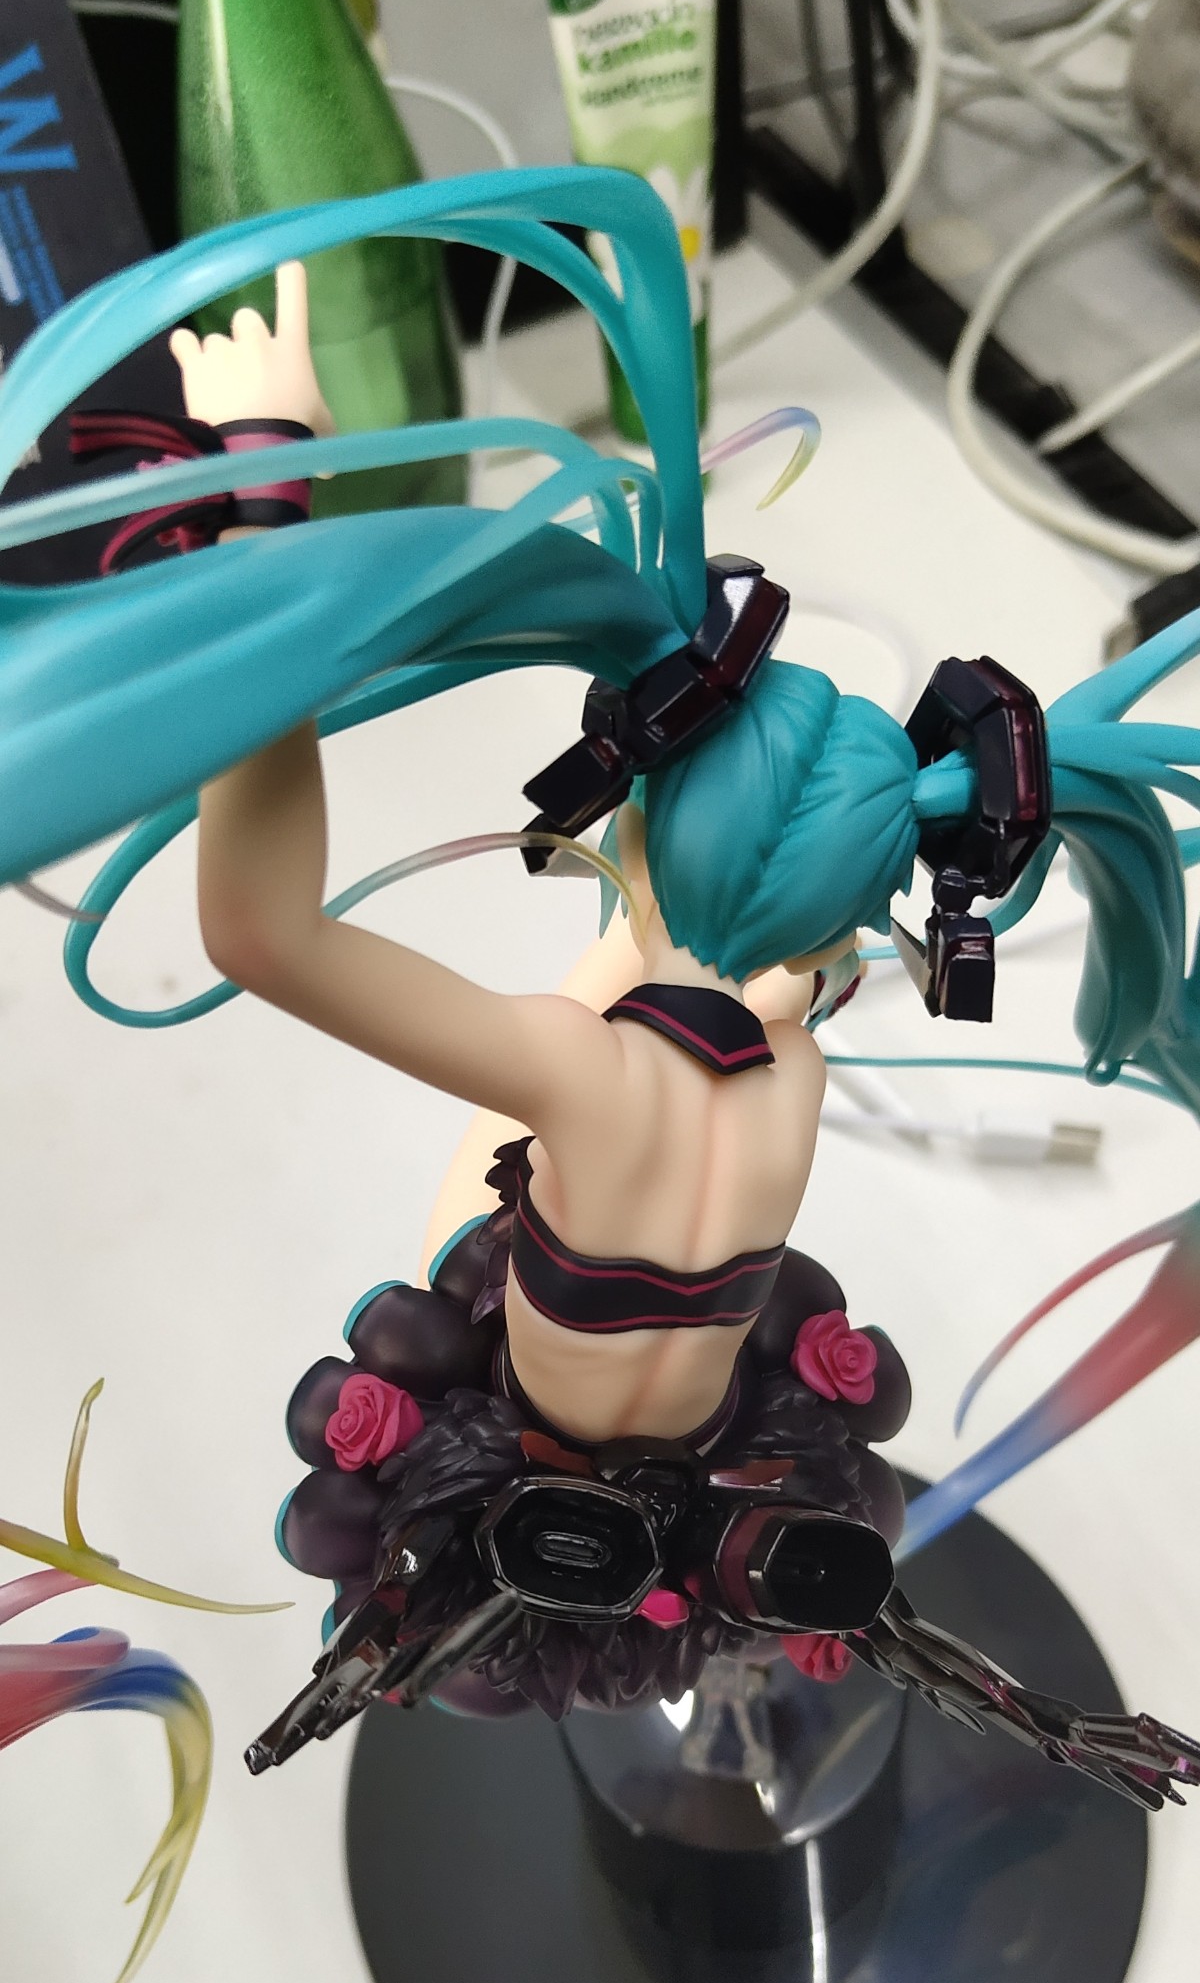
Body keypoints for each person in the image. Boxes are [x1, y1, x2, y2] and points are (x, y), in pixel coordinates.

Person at [2, 164, 1200, 1784]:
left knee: (481, 1189)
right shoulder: (791, 1075)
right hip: (724, 1458)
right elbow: (735, 970)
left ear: (635, 837)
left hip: (526, 1467)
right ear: (850, 925)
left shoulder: (587, 1077)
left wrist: (261, 520)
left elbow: (259, 933)